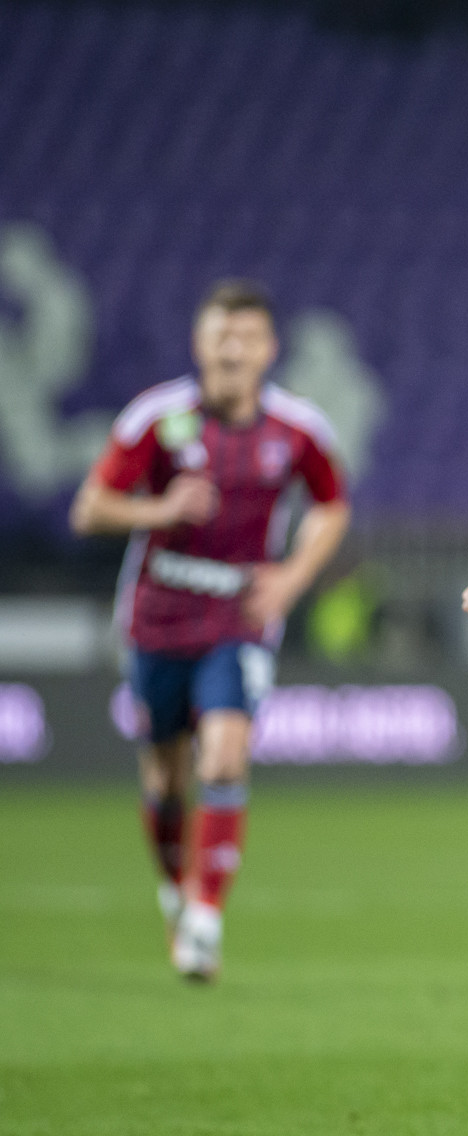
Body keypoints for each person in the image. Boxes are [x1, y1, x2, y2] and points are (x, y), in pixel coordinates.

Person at [70, 280, 351, 981]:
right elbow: (90, 508)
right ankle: (175, 889)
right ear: (199, 345)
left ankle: (204, 919)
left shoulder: (298, 429)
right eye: (221, 336)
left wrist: (291, 579)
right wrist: (159, 510)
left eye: (247, 337)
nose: (233, 350)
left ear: (269, 349)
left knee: (224, 757)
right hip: (158, 611)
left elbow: (331, 505)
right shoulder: (157, 419)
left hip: (240, 612)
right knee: (165, 775)